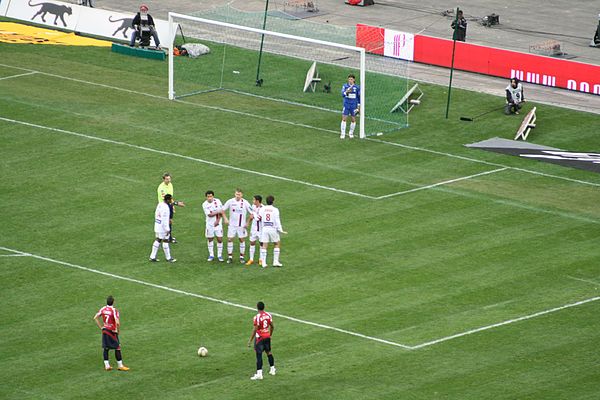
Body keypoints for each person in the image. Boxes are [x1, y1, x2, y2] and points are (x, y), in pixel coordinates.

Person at [93, 296, 129, 371]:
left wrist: (101, 327)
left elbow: (95, 317)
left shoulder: (103, 309)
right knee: (117, 348)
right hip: (112, 331)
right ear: (113, 302)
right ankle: (120, 365)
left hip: (105, 330)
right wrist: (117, 331)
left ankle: (107, 366)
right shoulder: (114, 310)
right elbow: (118, 323)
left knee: (106, 348)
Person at [222, 189, 253, 264]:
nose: (237, 196)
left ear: (242, 195)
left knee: (241, 240)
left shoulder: (245, 202)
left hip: (241, 226)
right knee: (230, 239)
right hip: (232, 225)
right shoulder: (230, 201)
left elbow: (252, 213)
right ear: (234, 194)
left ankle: (241, 257)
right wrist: (225, 219)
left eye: (239, 194)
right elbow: (222, 210)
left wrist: (248, 223)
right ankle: (230, 257)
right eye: (236, 194)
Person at [247, 301, 276, 380]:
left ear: (257, 307)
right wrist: (270, 335)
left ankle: (259, 374)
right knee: (268, 352)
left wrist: (250, 340)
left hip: (260, 338)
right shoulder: (268, 315)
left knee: (259, 354)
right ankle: (272, 369)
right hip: (267, 336)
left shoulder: (257, 317)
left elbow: (255, 330)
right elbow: (272, 326)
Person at [258, 195, 287, 268]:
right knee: (276, 243)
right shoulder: (275, 209)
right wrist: (280, 230)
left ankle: (264, 263)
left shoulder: (262, 209)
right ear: (273, 201)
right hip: (272, 228)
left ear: (266, 201)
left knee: (264, 245)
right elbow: (277, 220)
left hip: (265, 228)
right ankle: (275, 262)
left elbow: (259, 218)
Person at [157, 173, 185, 243]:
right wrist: (177, 203)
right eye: (167, 179)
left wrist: (172, 206)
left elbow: (170, 198)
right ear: (163, 179)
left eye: (169, 179)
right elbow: (166, 200)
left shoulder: (170, 185)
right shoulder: (161, 188)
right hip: (163, 207)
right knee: (166, 221)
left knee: (170, 221)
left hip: (169, 205)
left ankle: (168, 237)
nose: (168, 180)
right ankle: (164, 237)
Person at [149, 194, 176, 262]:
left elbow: (156, 214)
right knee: (165, 241)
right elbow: (164, 220)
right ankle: (168, 258)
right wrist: (167, 229)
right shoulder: (166, 208)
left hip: (157, 225)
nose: (171, 201)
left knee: (158, 239)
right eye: (170, 199)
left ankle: (152, 256)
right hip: (162, 228)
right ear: (168, 200)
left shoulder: (160, 204)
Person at [202, 190, 226, 262]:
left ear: (213, 196)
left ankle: (219, 255)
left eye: (211, 196)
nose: (209, 198)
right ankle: (211, 254)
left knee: (220, 239)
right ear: (206, 197)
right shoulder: (204, 204)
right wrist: (218, 211)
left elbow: (221, 212)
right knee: (210, 239)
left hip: (218, 224)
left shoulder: (218, 201)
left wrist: (218, 221)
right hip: (209, 225)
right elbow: (210, 214)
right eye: (208, 197)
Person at [340, 74, 360, 139]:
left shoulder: (357, 87)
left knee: (353, 119)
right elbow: (342, 94)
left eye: (351, 79)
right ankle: (342, 133)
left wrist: (358, 107)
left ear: (354, 80)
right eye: (349, 79)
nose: (350, 80)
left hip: (353, 106)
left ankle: (351, 133)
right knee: (344, 118)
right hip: (346, 104)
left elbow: (359, 97)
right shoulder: (345, 86)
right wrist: (347, 92)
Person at [245, 195, 263, 266]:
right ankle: (251, 259)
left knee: (261, 244)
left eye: (254, 200)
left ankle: (261, 259)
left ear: (257, 201)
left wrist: (254, 215)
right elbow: (251, 216)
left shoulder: (263, 208)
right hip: (253, 229)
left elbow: (259, 218)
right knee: (252, 243)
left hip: (261, 229)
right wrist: (248, 223)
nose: (253, 201)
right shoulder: (253, 206)